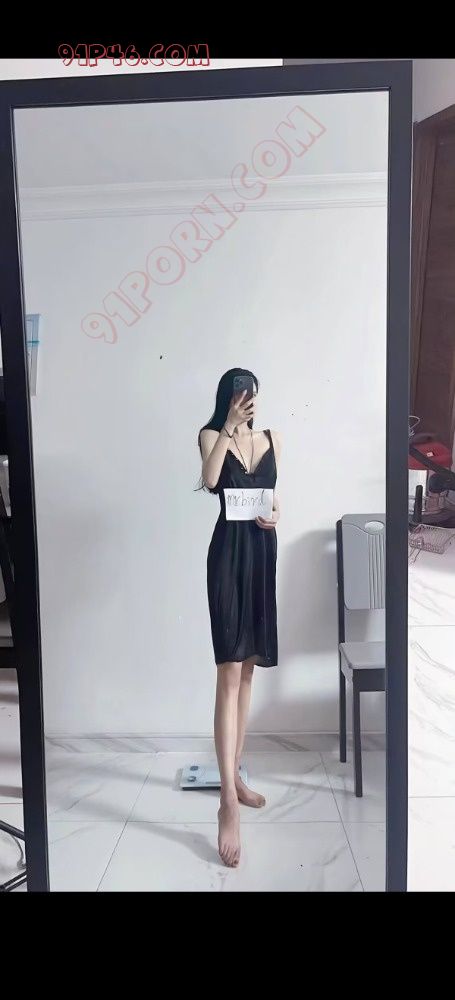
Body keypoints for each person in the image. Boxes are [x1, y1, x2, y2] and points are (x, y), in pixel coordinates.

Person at [198, 368, 281, 867]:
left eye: (250, 394)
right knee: (228, 671)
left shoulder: (272, 439)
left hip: (261, 553)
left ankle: (235, 775)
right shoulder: (211, 436)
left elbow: (273, 497)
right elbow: (211, 480)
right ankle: (227, 800)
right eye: (238, 394)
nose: (246, 400)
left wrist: (276, 515)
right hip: (227, 558)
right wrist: (228, 426)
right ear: (227, 398)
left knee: (247, 671)